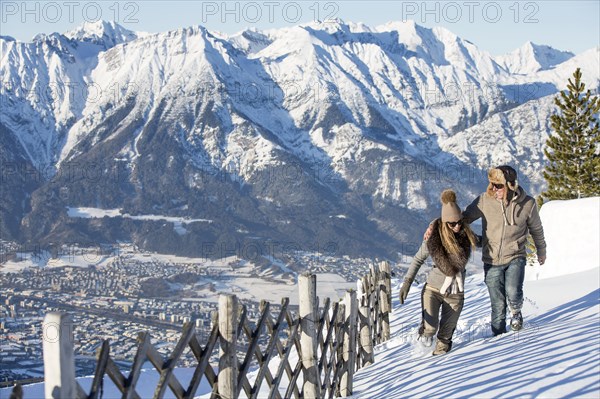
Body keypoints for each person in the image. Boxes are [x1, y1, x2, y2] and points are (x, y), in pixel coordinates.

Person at [424, 165, 547, 336]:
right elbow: (460, 218)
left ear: (511, 185)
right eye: (492, 185)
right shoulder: (484, 200)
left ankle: (516, 312)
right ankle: (499, 339)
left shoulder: (528, 204)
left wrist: (541, 250)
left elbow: (536, 229)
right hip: (491, 259)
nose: (494, 189)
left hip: (515, 254)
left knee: (513, 291)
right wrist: (436, 224)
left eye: (499, 185)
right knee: (497, 304)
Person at [399, 189, 478, 355]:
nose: (457, 226)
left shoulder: (467, 234)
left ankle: (438, 365)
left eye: (459, 222)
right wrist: (407, 283)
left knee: (444, 338)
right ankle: (420, 348)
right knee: (430, 328)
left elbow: (484, 240)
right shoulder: (433, 238)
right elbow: (418, 259)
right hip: (433, 290)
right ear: (444, 222)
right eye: (452, 223)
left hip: (455, 293)